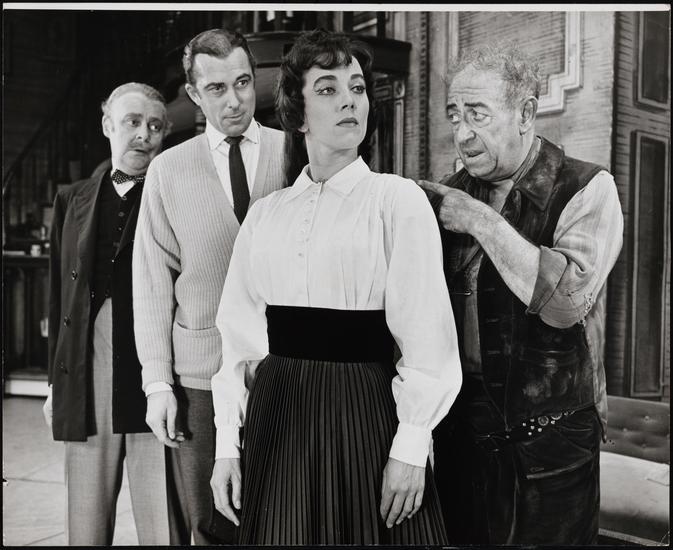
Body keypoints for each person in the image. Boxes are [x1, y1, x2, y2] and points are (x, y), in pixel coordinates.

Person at [209, 29, 462, 546]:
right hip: (278, 416)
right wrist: (226, 447)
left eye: (358, 87)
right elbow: (237, 341)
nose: (350, 100)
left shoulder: (396, 201)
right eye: (328, 88)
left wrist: (411, 447)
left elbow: (427, 339)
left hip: (362, 411)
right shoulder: (266, 215)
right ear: (298, 113)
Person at [419, 43, 624, 545]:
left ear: (526, 113)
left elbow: (566, 304)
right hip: (461, 442)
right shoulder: (447, 191)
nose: (462, 133)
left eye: (478, 114)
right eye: (454, 115)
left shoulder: (587, 187)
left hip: (551, 449)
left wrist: (481, 221)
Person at [132, 28, 285, 545]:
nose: (235, 100)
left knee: (282, 518)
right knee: (210, 524)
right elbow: (152, 284)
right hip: (199, 373)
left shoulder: (295, 154)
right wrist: (157, 384)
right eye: (217, 88)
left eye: (242, 82)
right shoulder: (168, 170)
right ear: (194, 95)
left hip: (281, 368)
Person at [44, 82, 173, 545]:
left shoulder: (174, 194)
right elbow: (59, 297)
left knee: (162, 519)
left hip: (158, 366)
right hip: (89, 366)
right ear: (107, 125)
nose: (143, 134)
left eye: (154, 126)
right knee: (86, 517)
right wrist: (55, 383)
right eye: (132, 122)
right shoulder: (71, 200)